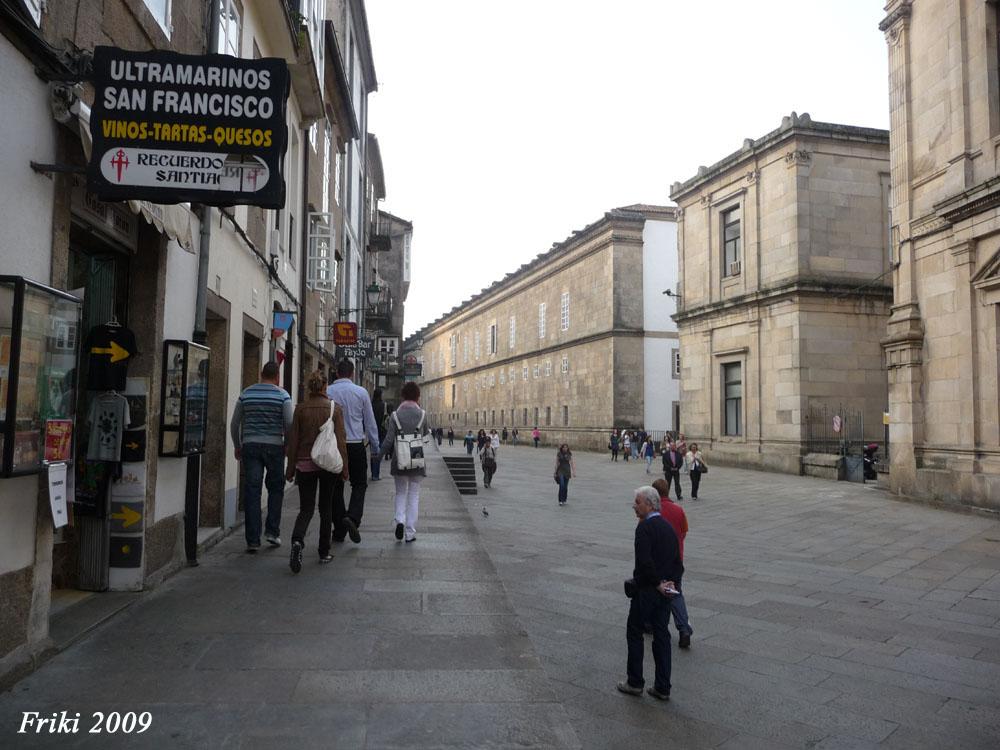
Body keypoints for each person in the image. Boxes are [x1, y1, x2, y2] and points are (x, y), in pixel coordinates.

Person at [617, 486, 683, 701]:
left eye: (637, 502)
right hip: (665, 593)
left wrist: (657, 584)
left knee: (635, 631)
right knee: (661, 635)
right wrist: (671, 583)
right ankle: (663, 686)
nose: (634, 506)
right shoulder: (668, 528)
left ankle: (635, 681)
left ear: (649, 504)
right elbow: (678, 562)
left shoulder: (644, 528)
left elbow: (645, 562)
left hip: (647, 591)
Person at [285, 371, 349, 572]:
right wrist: (344, 468)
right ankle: (324, 551)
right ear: (325, 387)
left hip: (305, 464)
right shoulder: (334, 409)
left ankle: (297, 541)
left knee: (306, 508)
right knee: (325, 508)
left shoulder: (300, 409)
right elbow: (341, 441)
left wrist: (290, 468)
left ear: (310, 387)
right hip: (328, 464)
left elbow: (293, 440)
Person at [230, 362, 293, 553]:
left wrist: (237, 445)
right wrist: (287, 444)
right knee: (276, 489)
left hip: (250, 446)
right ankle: (272, 532)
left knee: (252, 490)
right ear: (278, 376)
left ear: (261, 374)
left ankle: (252, 540)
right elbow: (289, 423)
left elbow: (234, 423)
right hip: (275, 447)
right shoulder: (283, 395)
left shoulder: (246, 393)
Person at [326, 359, 380, 544]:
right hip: (356, 444)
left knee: (335, 486)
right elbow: (370, 422)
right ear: (352, 373)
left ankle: (340, 529)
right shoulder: (361, 392)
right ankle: (353, 517)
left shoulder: (328, 391)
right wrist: (375, 446)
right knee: (359, 484)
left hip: (334, 444)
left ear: (337, 373)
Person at [378, 381, 429, 543]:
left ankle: (400, 520)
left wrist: (378, 456)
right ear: (418, 397)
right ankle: (410, 532)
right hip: (417, 460)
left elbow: (388, 440)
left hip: (399, 460)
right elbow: (426, 438)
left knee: (400, 493)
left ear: (402, 396)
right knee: (414, 495)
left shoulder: (395, 416)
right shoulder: (423, 415)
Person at [651, 478, 693, 648]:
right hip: (676, 560)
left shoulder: (652, 512)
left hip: (656, 561)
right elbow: (684, 532)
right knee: (675, 593)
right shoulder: (678, 510)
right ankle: (684, 629)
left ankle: (648, 623)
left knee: (652, 589)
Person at [370, 388, 386, 481]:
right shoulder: (383, 405)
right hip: (380, 431)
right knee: (378, 453)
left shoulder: (371, 405)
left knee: (373, 453)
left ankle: (373, 473)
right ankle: (376, 474)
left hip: (372, 431)